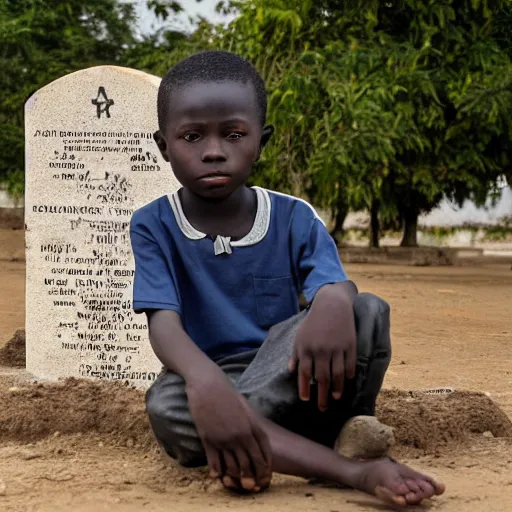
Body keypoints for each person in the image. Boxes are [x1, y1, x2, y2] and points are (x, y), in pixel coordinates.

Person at [129, 50, 445, 507]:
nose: (214, 151)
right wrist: (205, 382)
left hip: (296, 374)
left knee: (366, 309)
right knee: (168, 407)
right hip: (210, 377)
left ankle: (248, 438)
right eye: (192, 136)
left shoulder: (293, 216)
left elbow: (334, 286)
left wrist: (332, 302)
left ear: (262, 140)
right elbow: (163, 324)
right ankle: (348, 467)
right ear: (163, 146)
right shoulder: (153, 224)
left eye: (234, 134)